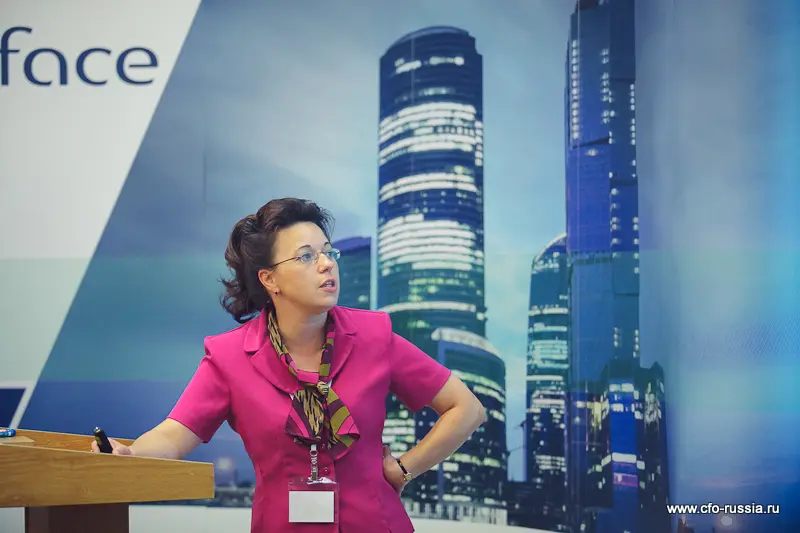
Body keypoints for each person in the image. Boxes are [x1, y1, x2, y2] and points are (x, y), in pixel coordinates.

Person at [92, 198, 486, 532]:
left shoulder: (374, 336)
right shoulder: (229, 357)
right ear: (269, 279)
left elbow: (466, 408)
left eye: (328, 252)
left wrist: (403, 469)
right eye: (307, 256)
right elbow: (175, 434)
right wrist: (130, 455)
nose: (326, 264)